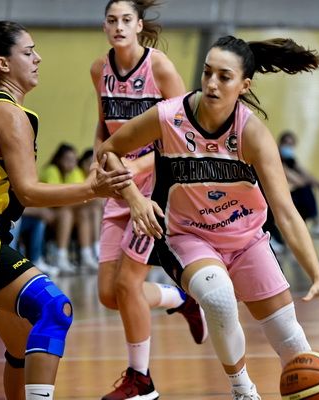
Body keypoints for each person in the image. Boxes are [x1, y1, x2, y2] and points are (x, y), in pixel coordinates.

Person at [98, 35, 319, 400]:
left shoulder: (252, 134)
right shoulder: (169, 116)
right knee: (218, 298)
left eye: (224, 77)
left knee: (294, 347)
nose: (212, 83)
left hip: (246, 238)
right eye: (207, 73)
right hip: (186, 236)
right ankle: (243, 390)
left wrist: (318, 275)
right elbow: (109, 151)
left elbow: (286, 213)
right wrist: (135, 199)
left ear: (244, 85)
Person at [0, 1, 130, 399]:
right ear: (3, 64)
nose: (38, 58)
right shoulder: (10, 115)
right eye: (29, 52)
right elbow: (28, 191)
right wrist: (93, 189)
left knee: (21, 346)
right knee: (54, 309)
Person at [91, 1, 207, 398]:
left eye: (126, 20)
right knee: (109, 295)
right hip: (118, 186)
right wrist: (99, 158)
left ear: (139, 25)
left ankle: (141, 381)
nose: (119, 26)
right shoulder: (99, 69)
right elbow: (103, 127)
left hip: (154, 189)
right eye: (112, 20)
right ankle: (181, 298)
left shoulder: (160, 68)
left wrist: (138, 166)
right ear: (104, 27)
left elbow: (187, 134)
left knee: (128, 284)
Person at [40, 143, 98, 274]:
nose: (72, 163)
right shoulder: (51, 170)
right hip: (46, 211)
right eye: (68, 159)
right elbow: (54, 199)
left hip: (63, 212)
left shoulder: (74, 172)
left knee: (83, 213)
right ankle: (61, 256)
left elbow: (80, 196)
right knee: (67, 213)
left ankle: (87, 255)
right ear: (59, 159)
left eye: (74, 160)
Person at [278, 130, 319, 237]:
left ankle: (314, 224)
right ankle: (317, 222)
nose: (289, 148)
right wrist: (310, 182)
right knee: (304, 189)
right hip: (279, 199)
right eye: (286, 144)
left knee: (305, 189)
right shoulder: (276, 159)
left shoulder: (291, 160)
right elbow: (297, 180)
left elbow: (305, 174)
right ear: (280, 144)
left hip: (290, 197)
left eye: (291, 145)